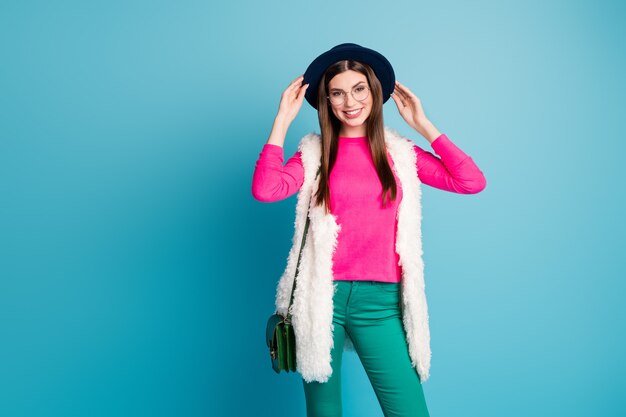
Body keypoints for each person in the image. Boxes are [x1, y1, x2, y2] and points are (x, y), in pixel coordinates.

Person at [252, 43, 486, 417]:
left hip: (380, 303)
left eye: (359, 89)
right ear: (326, 101)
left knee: (408, 411)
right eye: (338, 93)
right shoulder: (313, 154)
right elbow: (266, 190)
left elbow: (470, 181)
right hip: (320, 299)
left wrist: (424, 125)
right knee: (324, 412)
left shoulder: (399, 153)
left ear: (374, 92)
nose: (350, 102)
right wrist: (281, 120)